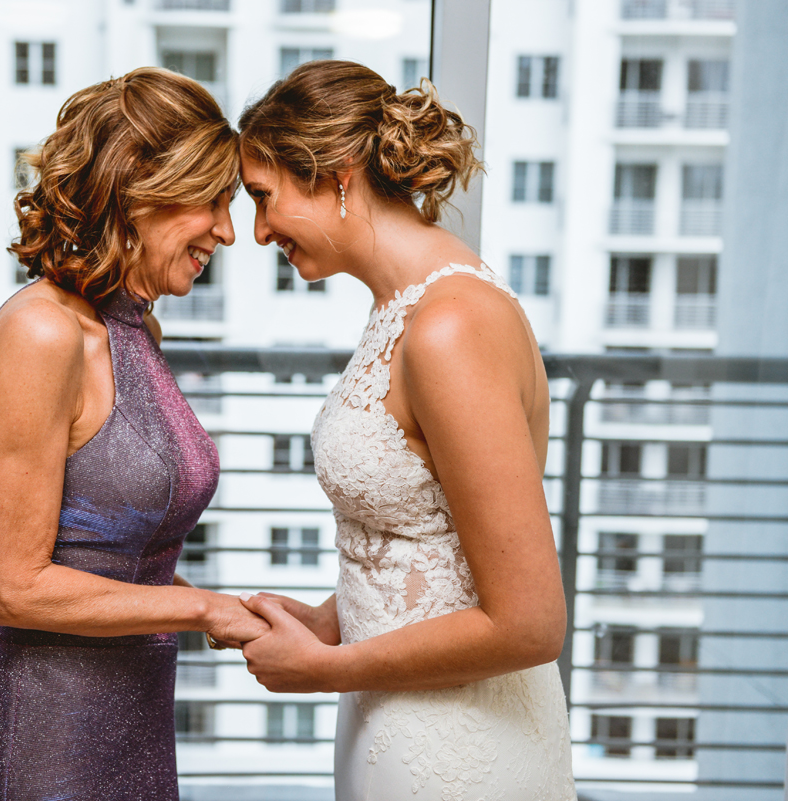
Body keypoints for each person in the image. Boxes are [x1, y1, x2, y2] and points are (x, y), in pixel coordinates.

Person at [235, 60, 577, 801]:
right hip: (395, 721)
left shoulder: (451, 326)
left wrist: (325, 670)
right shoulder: (400, 309)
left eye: (263, 198)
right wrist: (330, 618)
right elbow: (438, 551)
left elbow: (529, 623)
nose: (259, 232)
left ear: (335, 173)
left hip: (462, 746)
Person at [0, 67, 267, 801]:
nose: (226, 230)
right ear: (139, 189)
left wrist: (228, 608)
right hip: (45, 738)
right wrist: (201, 607)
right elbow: (15, 588)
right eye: (213, 200)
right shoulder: (38, 332)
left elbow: (119, 561)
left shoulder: (134, 327)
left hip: (136, 720)